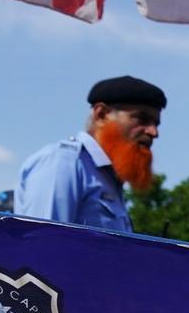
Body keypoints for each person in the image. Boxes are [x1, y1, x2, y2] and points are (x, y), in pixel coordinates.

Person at [14, 76, 164, 231]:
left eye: (156, 123)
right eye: (142, 119)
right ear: (101, 115)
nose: (153, 132)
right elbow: (43, 244)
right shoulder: (64, 162)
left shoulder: (109, 177)